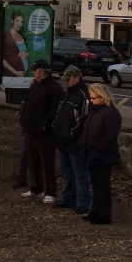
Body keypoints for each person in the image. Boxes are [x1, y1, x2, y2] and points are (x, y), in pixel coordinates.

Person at [19, 59, 63, 204]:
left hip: (45, 133)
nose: (33, 72)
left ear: (42, 72)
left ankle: (51, 191)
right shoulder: (35, 86)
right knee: (33, 161)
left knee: (47, 162)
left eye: (35, 70)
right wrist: (24, 121)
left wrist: (45, 125)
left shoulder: (54, 88)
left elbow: (55, 109)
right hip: (31, 130)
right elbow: (27, 103)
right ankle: (35, 187)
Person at [80, 82, 122, 225]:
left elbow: (110, 135)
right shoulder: (94, 110)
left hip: (103, 155)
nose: (91, 101)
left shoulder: (111, 113)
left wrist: (97, 147)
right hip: (92, 153)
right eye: (90, 98)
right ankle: (95, 211)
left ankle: (104, 214)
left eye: (93, 98)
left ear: (102, 97)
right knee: (96, 184)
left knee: (103, 185)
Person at [53, 65, 91, 213]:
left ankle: (82, 202)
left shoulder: (84, 94)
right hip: (62, 139)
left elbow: (83, 118)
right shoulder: (67, 94)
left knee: (79, 173)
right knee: (67, 172)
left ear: (76, 78)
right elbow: (59, 112)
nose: (66, 82)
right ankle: (69, 198)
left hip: (73, 140)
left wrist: (72, 133)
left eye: (68, 80)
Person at [2, 10, 29, 78]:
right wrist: (16, 72)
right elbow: (2, 59)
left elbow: (26, 53)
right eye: (17, 21)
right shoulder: (6, 36)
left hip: (24, 74)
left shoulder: (23, 37)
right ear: (12, 21)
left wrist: (26, 54)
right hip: (12, 75)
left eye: (21, 22)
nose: (19, 24)